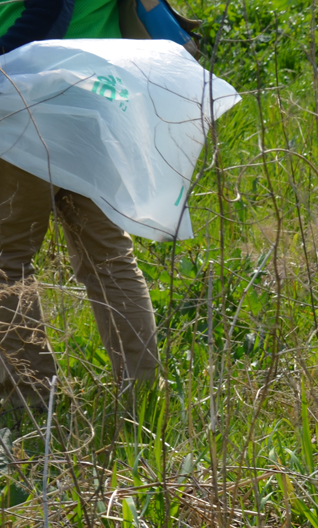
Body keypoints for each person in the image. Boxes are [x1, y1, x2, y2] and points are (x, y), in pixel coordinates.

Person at [0, 0, 160, 418]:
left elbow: (47, 8)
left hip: (24, 98)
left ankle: (34, 404)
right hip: (95, 100)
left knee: (6, 259)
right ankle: (142, 397)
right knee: (108, 256)